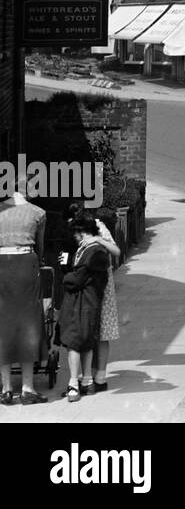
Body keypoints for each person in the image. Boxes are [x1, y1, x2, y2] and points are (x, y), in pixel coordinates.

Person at [0, 173, 48, 405]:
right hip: (25, 266)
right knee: (30, 322)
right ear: (27, 187)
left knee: (3, 324)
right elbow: (39, 247)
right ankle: (28, 388)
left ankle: (7, 388)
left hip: (1, 269)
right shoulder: (38, 213)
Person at [58, 213, 111, 402]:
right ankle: (87, 381)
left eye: (76, 232)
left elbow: (78, 279)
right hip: (85, 302)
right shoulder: (86, 249)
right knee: (86, 341)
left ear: (82, 231)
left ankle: (73, 382)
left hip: (84, 302)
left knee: (74, 342)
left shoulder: (94, 251)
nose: (74, 236)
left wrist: (66, 277)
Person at [91, 216, 121, 392]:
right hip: (83, 283)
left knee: (103, 329)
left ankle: (100, 375)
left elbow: (116, 251)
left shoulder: (97, 225)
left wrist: (99, 239)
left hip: (102, 283)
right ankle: (88, 375)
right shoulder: (72, 228)